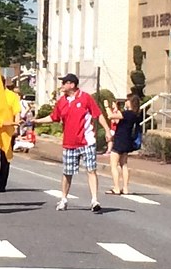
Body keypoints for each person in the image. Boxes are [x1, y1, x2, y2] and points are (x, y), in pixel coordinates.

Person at [31, 73, 111, 213]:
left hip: (86, 141)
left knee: (91, 170)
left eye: (64, 83)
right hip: (69, 143)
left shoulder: (85, 98)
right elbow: (53, 117)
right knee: (67, 172)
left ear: (72, 85)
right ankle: (64, 199)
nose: (62, 85)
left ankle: (94, 200)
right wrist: (37, 121)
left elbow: (97, 114)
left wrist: (108, 131)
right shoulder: (61, 101)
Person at [0, 77, 22, 192]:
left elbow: (17, 112)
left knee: (5, 159)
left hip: (8, 132)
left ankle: (2, 184)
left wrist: (16, 127)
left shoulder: (12, 96)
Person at [107, 94, 141, 195]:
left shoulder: (127, 113)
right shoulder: (135, 115)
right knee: (124, 164)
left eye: (127, 100)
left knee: (113, 165)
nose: (125, 101)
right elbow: (118, 120)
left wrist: (106, 107)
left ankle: (116, 187)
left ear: (130, 102)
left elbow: (110, 116)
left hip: (120, 140)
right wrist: (116, 108)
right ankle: (125, 188)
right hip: (127, 141)